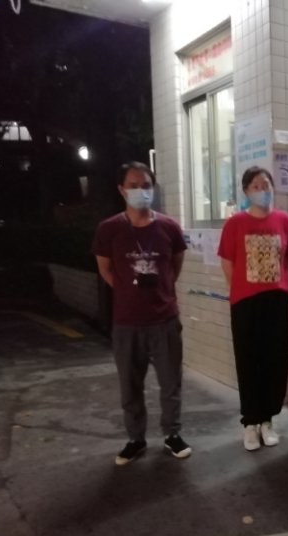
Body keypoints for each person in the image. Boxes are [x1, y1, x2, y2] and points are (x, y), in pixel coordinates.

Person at [92, 161, 191, 465]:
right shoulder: (109, 229)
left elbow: (175, 265)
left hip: (165, 320)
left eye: (146, 185)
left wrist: (161, 290)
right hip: (126, 323)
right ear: (121, 190)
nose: (141, 191)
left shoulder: (169, 227)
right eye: (133, 185)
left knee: (171, 384)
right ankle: (135, 439)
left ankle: (172, 434)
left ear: (153, 188)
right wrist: (128, 290)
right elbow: (105, 270)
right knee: (130, 387)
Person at [218, 166, 288, 451]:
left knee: (275, 361)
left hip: (277, 301)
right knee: (248, 360)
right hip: (245, 302)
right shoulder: (235, 223)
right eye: (255, 185)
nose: (262, 190)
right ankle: (250, 423)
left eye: (266, 184)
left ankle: (267, 421)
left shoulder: (284, 221)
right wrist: (242, 289)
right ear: (245, 191)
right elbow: (227, 262)